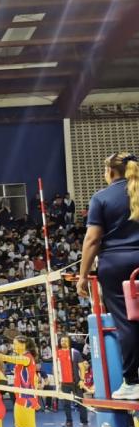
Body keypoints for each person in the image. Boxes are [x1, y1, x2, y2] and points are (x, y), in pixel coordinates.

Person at [77, 152, 139, 400]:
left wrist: (83, 275)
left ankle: (133, 381)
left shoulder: (101, 197)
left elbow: (92, 239)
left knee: (127, 321)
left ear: (110, 172)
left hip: (117, 264)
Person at [0, 335, 42, 427]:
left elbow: (10, 358)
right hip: (19, 398)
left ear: (23, 345)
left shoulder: (27, 358)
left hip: (28, 399)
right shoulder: (22, 359)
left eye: (16, 344)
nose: (14, 346)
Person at [57, 337, 88, 427]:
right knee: (66, 404)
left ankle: (84, 422)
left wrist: (82, 380)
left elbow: (82, 367)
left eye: (65, 340)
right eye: (62, 340)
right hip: (64, 383)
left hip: (76, 382)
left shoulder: (75, 352)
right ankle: (69, 422)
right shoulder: (57, 353)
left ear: (69, 342)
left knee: (80, 403)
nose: (64, 342)